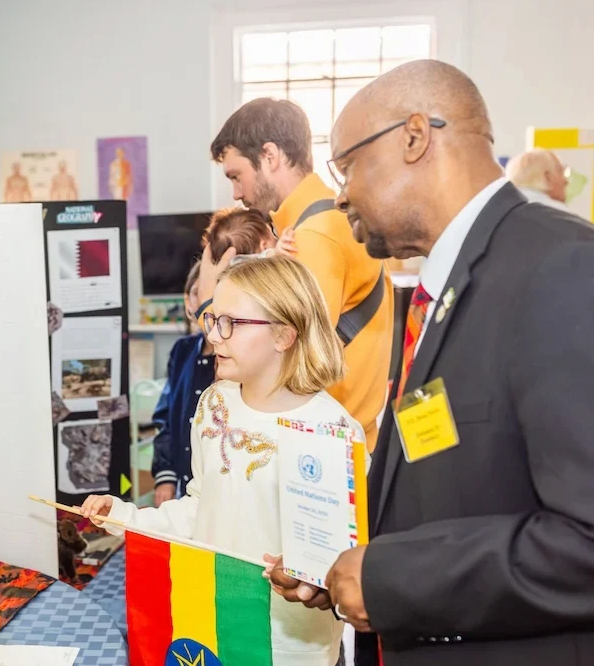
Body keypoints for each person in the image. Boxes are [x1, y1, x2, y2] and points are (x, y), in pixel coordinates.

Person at [269, 59, 594, 666]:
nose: (340, 194)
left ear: (415, 136)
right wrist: (343, 571)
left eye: (348, 165)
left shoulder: (561, 270)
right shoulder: (435, 291)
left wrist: (393, 580)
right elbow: (443, 470)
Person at [82, 256, 364, 666]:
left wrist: (312, 571)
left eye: (229, 323)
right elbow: (200, 507)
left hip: (290, 646)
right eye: (212, 319)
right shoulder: (216, 404)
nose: (213, 337)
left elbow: (345, 560)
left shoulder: (333, 431)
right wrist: (126, 515)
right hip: (213, 624)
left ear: (285, 334)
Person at [204, 98, 393, 448]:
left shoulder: (314, 237)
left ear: (270, 156)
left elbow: (293, 363)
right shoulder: (321, 224)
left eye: (236, 175)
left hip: (321, 453)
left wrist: (208, 301)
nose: (235, 193)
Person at [150, 261, 215, 506]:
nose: (208, 300)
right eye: (199, 292)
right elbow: (165, 417)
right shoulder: (182, 351)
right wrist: (165, 475)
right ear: (189, 301)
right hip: (182, 487)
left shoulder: (234, 359)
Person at [505, 148, 572, 212]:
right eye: (561, 172)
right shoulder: (562, 215)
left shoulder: (502, 212)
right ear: (548, 178)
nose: (566, 182)